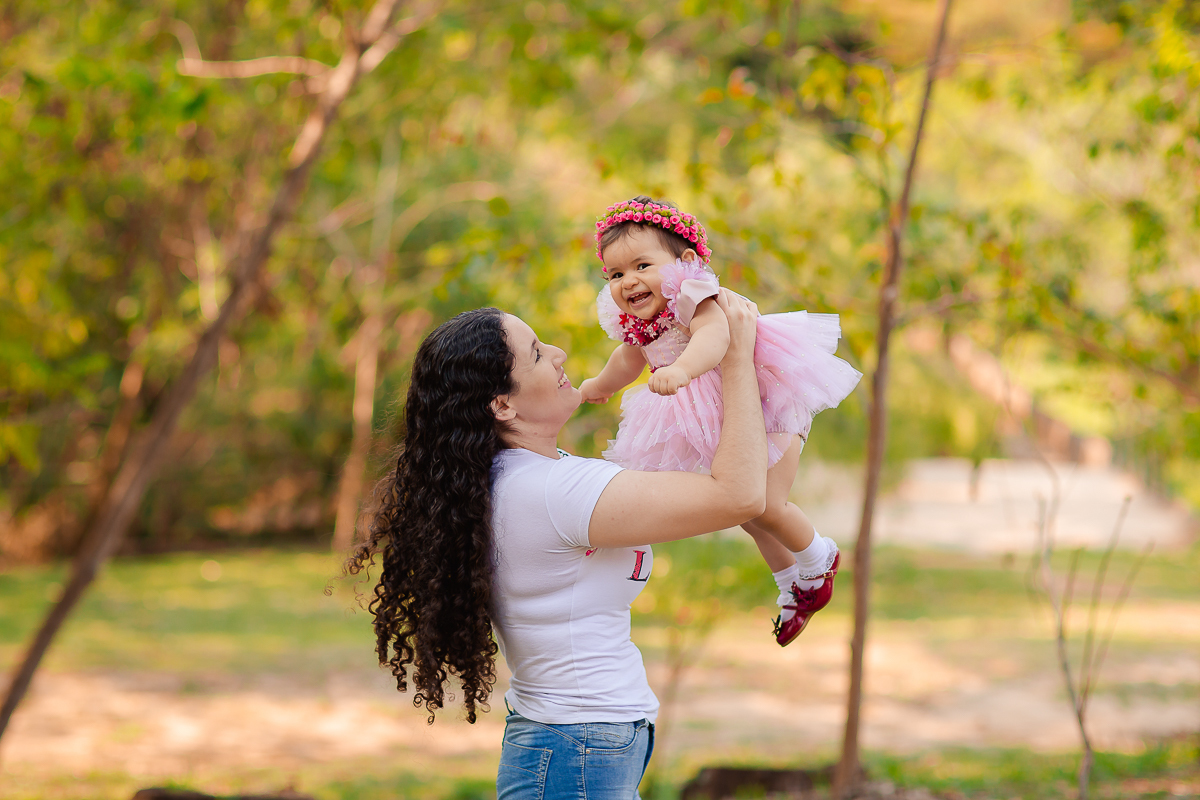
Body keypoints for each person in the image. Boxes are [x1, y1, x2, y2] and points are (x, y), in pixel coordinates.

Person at [345, 291, 768, 800]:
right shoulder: (550, 493)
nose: (560, 353)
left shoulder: (528, 479)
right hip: (576, 748)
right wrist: (737, 357)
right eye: (539, 353)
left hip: (580, 743)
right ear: (502, 405)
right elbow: (739, 495)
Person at [578, 196, 862, 645]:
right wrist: (601, 384)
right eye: (615, 274)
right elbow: (629, 356)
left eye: (641, 265)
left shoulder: (692, 292)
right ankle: (791, 583)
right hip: (723, 419)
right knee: (745, 510)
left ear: (684, 261)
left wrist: (684, 369)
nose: (628, 281)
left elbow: (715, 335)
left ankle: (818, 559)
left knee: (766, 503)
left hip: (766, 405)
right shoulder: (636, 316)